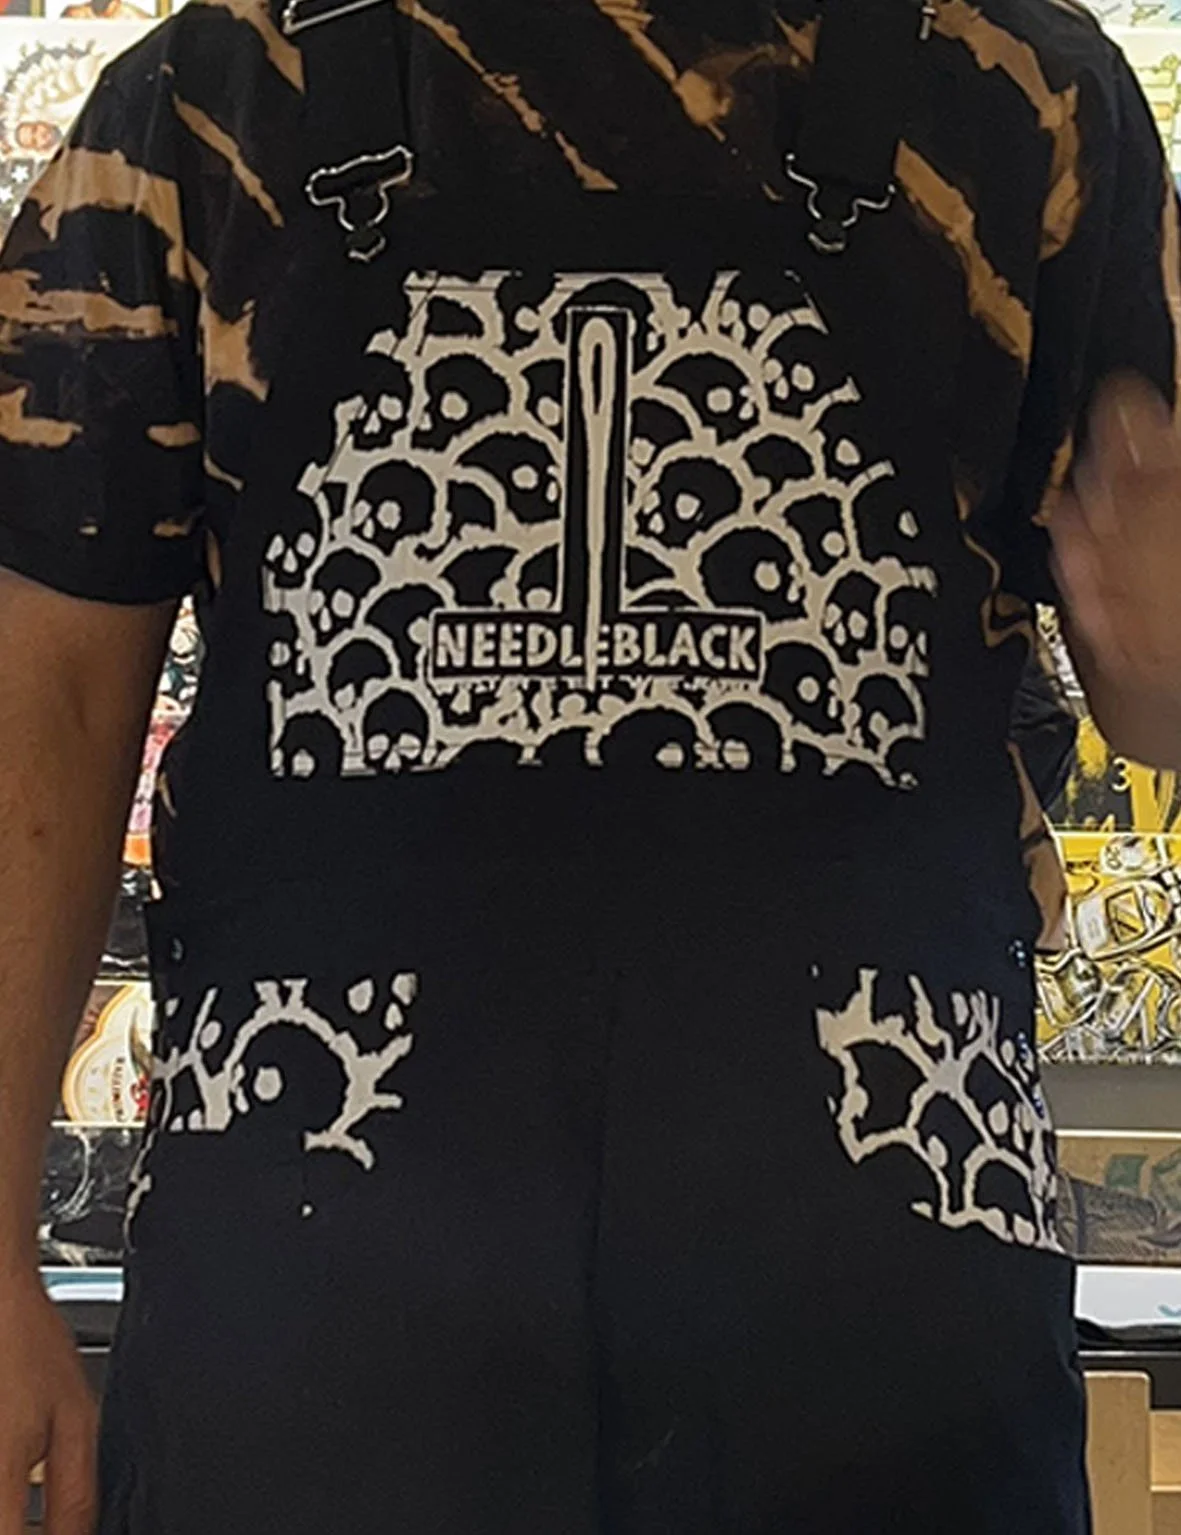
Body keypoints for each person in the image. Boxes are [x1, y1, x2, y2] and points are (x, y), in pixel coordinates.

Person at [1, 0, 1180, 1529]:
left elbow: (1157, 674)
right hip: (323, 1329)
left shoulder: (1040, 106)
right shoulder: (196, 111)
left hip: (877, 1341)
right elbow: (47, 701)